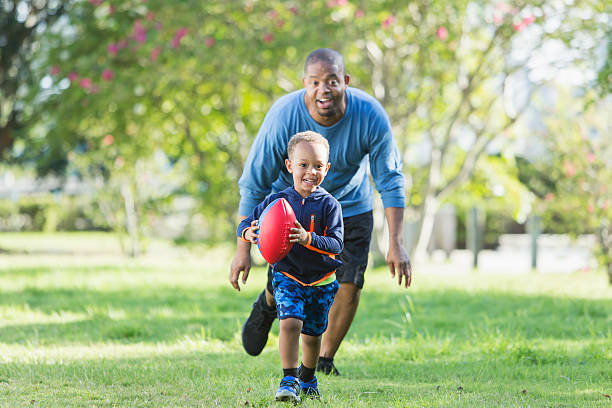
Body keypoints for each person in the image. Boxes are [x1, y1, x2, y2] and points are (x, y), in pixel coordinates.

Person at [229, 48, 412, 376]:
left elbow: (390, 179)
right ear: (304, 84)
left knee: (350, 280)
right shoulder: (283, 116)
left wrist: (395, 242)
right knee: (290, 277)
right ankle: (270, 300)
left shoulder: (369, 114)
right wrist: (242, 250)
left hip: (349, 207)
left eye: (331, 81)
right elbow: (254, 184)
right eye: (314, 82)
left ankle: (322, 362)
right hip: (289, 208)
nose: (322, 89)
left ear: (346, 82)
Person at [236, 131, 343, 402]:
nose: (311, 171)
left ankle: (308, 377)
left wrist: (308, 238)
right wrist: (248, 234)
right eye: (303, 164)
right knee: (290, 323)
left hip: (321, 281)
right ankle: (288, 379)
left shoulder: (330, 205)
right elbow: (244, 223)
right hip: (287, 275)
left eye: (318, 166)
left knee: (312, 334)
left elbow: (336, 244)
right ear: (289, 166)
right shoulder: (277, 202)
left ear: (327, 168)